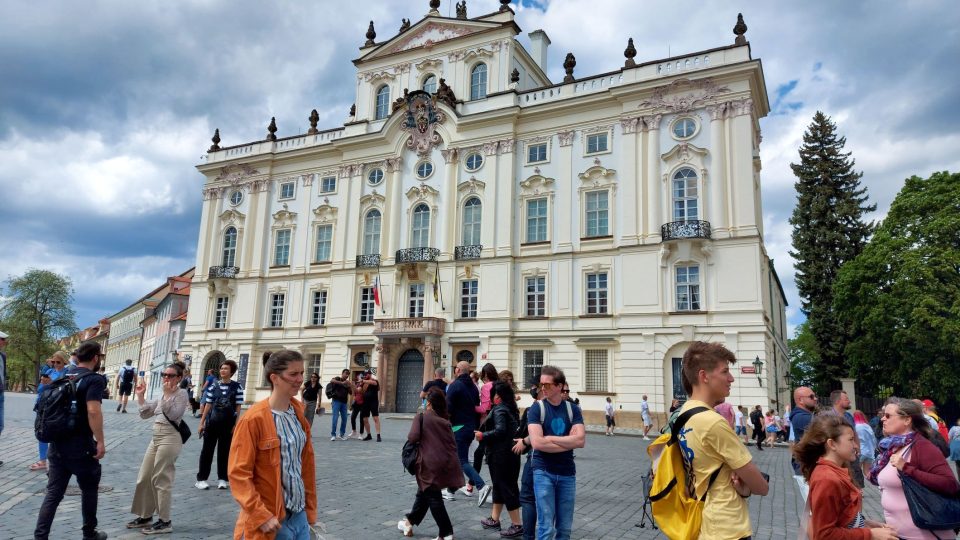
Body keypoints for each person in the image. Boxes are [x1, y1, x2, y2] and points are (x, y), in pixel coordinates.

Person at [674, 341, 769, 540]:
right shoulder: (713, 422)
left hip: (704, 521)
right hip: (728, 527)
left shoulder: (683, 414)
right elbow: (761, 487)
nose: (731, 378)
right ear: (704, 376)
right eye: (725, 371)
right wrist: (746, 488)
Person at [229, 350, 318, 540]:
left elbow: (306, 467)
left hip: (299, 516)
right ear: (274, 378)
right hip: (270, 519)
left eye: (302, 373)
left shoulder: (298, 414)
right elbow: (238, 474)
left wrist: (310, 510)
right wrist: (261, 515)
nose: (300, 379)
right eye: (293, 374)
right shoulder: (253, 419)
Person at [34, 342, 109, 540]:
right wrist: (100, 441)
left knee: (53, 494)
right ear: (95, 358)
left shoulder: (65, 376)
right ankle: (89, 533)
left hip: (57, 444)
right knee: (89, 489)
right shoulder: (94, 380)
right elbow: (93, 410)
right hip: (81, 446)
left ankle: (40, 536)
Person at [793, 415, 898, 539]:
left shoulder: (834, 472)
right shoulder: (827, 479)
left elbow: (842, 518)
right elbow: (824, 535)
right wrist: (870, 534)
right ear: (832, 444)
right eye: (851, 440)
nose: (856, 446)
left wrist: (865, 524)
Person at [870, 397, 960, 540]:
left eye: (888, 416)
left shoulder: (921, 446)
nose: (882, 419)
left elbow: (950, 484)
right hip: (899, 533)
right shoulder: (891, 447)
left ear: (907, 420)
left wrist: (907, 468)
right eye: (882, 415)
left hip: (925, 534)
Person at [126, 361, 189, 535]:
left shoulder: (181, 393)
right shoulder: (162, 394)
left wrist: (168, 396)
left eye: (170, 375)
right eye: (164, 375)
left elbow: (175, 414)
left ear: (179, 378)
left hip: (170, 438)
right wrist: (140, 397)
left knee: (161, 479)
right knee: (144, 477)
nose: (166, 378)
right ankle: (145, 516)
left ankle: (165, 521)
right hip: (155, 438)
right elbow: (146, 413)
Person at [527, 365, 586, 540]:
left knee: (565, 529)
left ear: (560, 386)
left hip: (567, 473)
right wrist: (569, 442)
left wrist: (550, 439)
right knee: (546, 528)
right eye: (541, 385)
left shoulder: (572, 409)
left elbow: (580, 441)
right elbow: (537, 443)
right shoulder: (537, 408)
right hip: (543, 471)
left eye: (547, 385)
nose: (543, 388)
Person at [397, 387, 463, 540]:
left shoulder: (421, 417)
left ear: (429, 403)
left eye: (426, 400)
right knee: (424, 492)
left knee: (433, 497)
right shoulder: (445, 421)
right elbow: (452, 444)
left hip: (427, 463)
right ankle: (409, 521)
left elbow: (412, 437)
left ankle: (446, 533)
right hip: (444, 463)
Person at [476, 382, 524, 538]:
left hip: (501, 455)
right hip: (509, 454)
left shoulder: (500, 409)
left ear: (497, 396)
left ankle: (517, 525)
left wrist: (483, 435)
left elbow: (500, 431)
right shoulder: (510, 408)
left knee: (506, 487)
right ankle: (494, 519)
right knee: (499, 485)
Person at [195, 359, 243, 491]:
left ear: (231, 372)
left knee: (225, 452)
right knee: (207, 452)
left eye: (226, 368)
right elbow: (208, 405)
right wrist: (202, 422)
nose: (223, 370)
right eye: (221, 368)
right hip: (212, 424)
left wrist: (236, 424)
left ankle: (222, 479)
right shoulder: (213, 386)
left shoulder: (237, 387)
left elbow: (238, 406)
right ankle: (201, 479)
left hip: (227, 425)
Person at [447, 361, 488, 501]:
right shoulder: (474, 387)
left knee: (461, 460)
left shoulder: (455, 386)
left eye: (455, 369)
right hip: (470, 427)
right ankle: (450, 490)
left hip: (458, 427)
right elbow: (476, 408)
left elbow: (448, 408)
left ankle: (481, 486)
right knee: (456, 459)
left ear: (458, 370)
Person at [31, 351, 70, 471]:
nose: (56, 364)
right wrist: (43, 383)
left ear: (64, 362)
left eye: (58, 362)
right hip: (43, 405)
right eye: (53, 362)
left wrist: (51, 383)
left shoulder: (67, 374)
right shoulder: (49, 372)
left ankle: (57, 460)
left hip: (57, 407)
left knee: (56, 433)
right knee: (42, 432)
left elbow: (64, 389)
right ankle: (43, 460)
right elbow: (40, 390)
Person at [513, 386, 539, 540]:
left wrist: (524, 440)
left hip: (536, 456)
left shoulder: (534, 409)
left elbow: (529, 434)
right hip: (559, 461)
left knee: (528, 497)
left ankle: (529, 536)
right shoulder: (567, 407)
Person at [854, 410, 878, 481]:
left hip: (860, 451)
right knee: (867, 472)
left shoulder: (855, 427)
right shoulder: (868, 426)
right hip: (869, 452)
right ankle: (877, 483)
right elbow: (874, 439)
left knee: (856, 472)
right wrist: (874, 448)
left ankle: (857, 487)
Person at [328, 369, 352, 441]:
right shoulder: (338, 378)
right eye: (346, 373)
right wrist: (342, 383)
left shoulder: (347, 382)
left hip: (344, 403)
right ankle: (333, 435)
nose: (347, 375)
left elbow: (351, 393)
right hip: (336, 401)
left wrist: (349, 386)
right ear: (342, 373)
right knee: (335, 418)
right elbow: (332, 381)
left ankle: (341, 434)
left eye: (348, 374)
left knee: (344, 419)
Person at [360, 370, 381, 441]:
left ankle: (378, 435)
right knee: (365, 419)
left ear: (370, 374)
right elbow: (359, 390)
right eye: (365, 375)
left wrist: (363, 381)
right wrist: (353, 386)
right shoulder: (363, 383)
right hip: (365, 403)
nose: (365, 376)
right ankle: (369, 435)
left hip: (373, 402)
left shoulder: (374, 381)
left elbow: (374, 383)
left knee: (375, 418)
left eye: (367, 374)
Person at [348, 374, 365, 439]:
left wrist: (353, 385)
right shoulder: (357, 385)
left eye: (360, 378)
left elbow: (358, 390)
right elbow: (354, 394)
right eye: (358, 378)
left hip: (363, 403)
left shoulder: (364, 385)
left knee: (361, 419)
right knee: (353, 417)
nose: (359, 379)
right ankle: (354, 431)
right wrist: (352, 403)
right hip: (357, 403)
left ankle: (361, 434)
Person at [0, 329, 8, 468]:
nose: (5, 342)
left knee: (0, 425)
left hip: (0, 393)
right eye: (3, 339)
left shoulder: (2, 356)